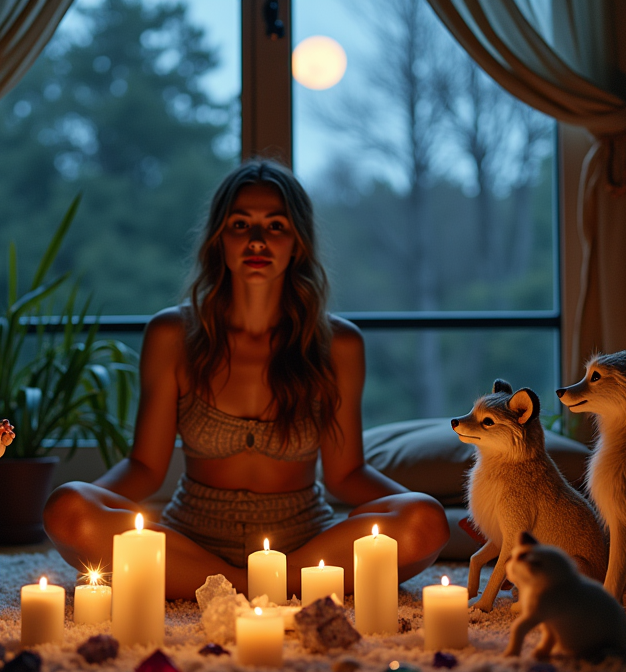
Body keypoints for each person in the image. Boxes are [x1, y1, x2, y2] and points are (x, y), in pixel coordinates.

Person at [43, 159, 449, 599]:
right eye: (241, 224)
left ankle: (221, 589)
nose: (257, 240)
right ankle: (255, 588)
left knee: (425, 522)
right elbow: (145, 468)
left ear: (298, 243)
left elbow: (346, 474)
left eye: (276, 226)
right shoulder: (172, 335)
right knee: (68, 508)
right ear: (220, 240)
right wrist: (84, 509)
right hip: (191, 541)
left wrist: (422, 510)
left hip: (305, 547)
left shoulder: (338, 345)